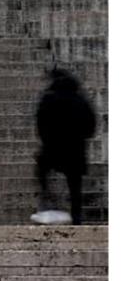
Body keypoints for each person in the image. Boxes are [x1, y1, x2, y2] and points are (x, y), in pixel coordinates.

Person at [32, 68, 97, 225]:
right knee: (75, 185)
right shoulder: (80, 99)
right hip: (75, 148)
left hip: (53, 146)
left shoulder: (49, 98)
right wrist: (81, 137)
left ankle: (48, 201)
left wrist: (48, 139)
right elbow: (91, 124)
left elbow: (41, 122)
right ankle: (76, 217)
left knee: (42, 171)